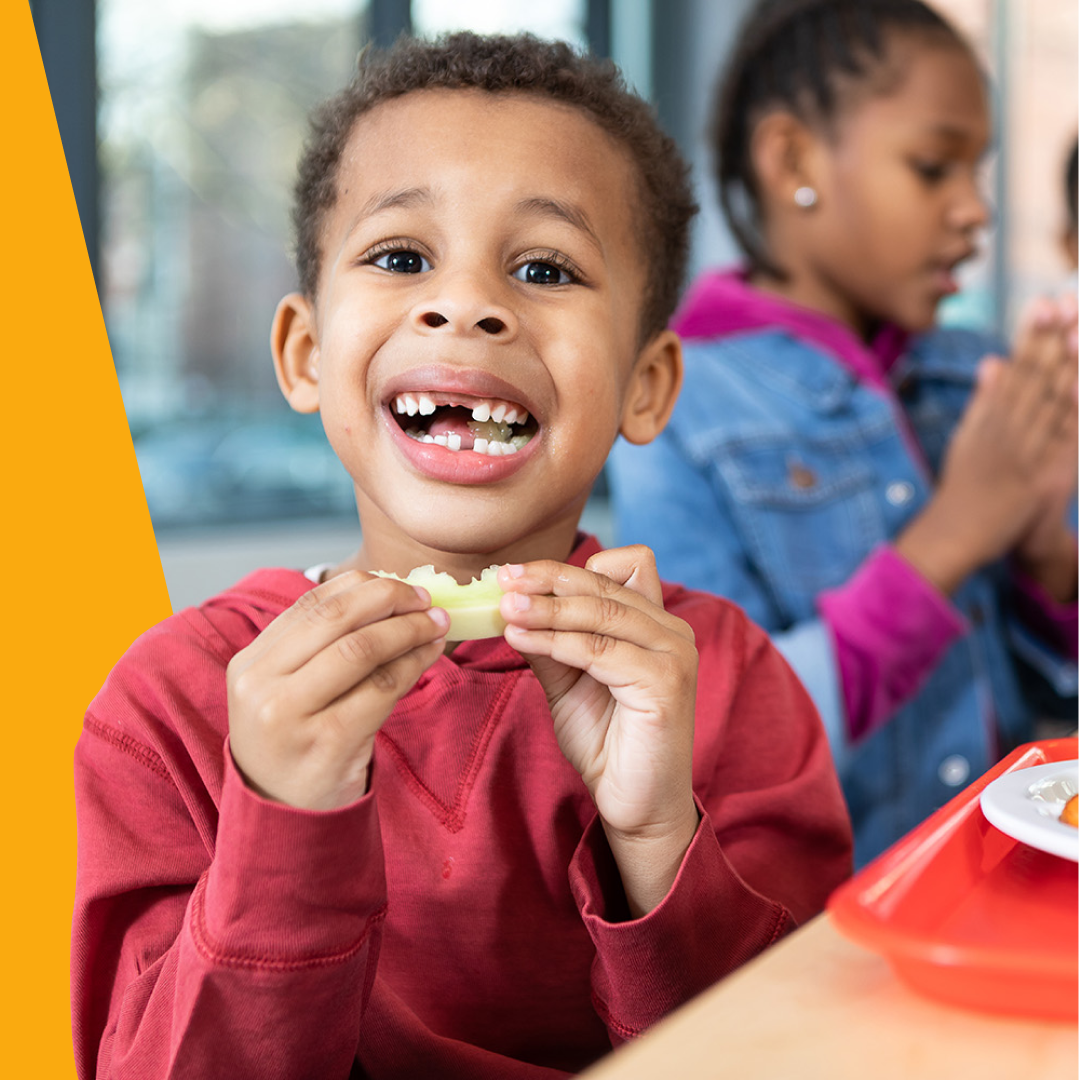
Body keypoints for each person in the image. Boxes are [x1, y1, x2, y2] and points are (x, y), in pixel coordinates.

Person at [71, 33, 853, 1080]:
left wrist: (660, 837)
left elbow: (797, 1059)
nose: (466, 306)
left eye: (543, 268)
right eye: (401, 258)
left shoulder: (718, 684)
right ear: (306, 354)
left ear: (646, 384)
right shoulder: (173, 706)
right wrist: (282, 818)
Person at [608, 0, 1079, 868]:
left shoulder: (976, 376)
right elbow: (712, 736)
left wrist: (1051, 557)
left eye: (977, 172)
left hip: (1004, 891)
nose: (975, 211)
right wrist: (951, 537)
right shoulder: (676, 405)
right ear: (793, 160)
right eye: (934, 167)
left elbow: (1052, 687)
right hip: (822, 937)